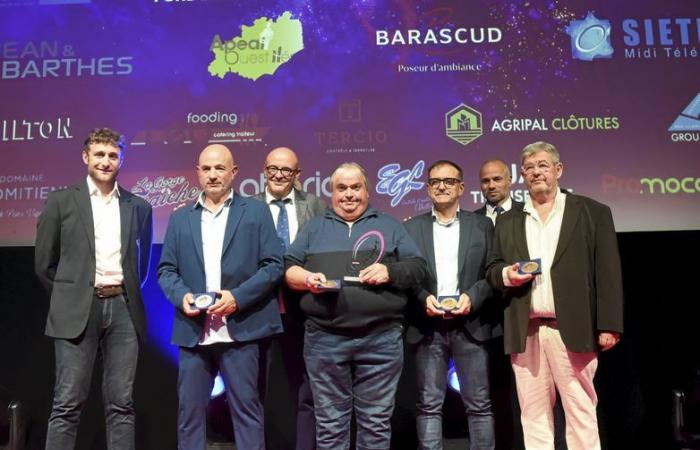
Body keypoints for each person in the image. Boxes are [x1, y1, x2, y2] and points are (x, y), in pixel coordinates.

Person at [486, 141, 623, 450]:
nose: (537, 172)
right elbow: (493, 268)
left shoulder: (592, 212)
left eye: (543, 165)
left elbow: (608, 273)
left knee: (580, 408)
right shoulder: (508, 220)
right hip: (526, 329)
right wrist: (507, 274)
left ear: (558, 170)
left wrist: (609, 324)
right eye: (530, 168)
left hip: (571, 328)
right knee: (532, 414)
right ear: (522, 175)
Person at [284, 162, 426, 450]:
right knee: (330, 424)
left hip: (381, 340)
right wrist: (309, 278)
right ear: (332, 192)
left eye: (355, 187)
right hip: (324, 340)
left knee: (375, 424)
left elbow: (418, 267)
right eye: (341, 188)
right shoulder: (313, 228)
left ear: (367, 190)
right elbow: (289, 269)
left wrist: (391, 272)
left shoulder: (389, 225)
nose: (349, 194)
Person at [158, 144, 283, 450]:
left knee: (247, 414)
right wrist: (182, 296)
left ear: (234, 172)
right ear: (198, 172)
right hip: (194, 334)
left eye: (220, 168)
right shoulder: (180, 218)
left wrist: (238, 298)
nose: (213, 175)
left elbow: (273, 265)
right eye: (207, 169)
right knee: (189, 416)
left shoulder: (256, 211)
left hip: (241, 329)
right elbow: (166, 270)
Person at [35, 128, 153, 450]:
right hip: (77, 310)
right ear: (86, 157)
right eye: (99, 154)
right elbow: (44, 264)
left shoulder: (138, 206)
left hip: (123, 310)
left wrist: (124, 291)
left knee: (121, 404)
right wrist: (70, 296)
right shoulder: (61, 201)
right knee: (68, 403)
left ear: (122, 160)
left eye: (113, 155)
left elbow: (140, 266)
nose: (106, 161)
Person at [404, 160, 496, 450]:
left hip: (471, 324)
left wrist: (473, 296)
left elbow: (493, 271)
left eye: (448, 181)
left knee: (479, 404)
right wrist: (422, 299)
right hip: (428, 325)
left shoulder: (482, 225)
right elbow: (406, 275)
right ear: (428, 188)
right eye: (434, 182)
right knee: (429, 405)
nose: (441, 186)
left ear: (461, 187)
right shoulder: (411, 227)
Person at [475, 158, 565, 450]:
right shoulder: (473, 220)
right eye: (486, 181)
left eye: (497, 179)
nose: (491, 186)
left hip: (527, 314)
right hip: (484, 320)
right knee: (501, 396)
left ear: (510, 180)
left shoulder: (526, 213)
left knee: (547, 397)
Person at [253, 146, 326, 450]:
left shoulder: (315, 205)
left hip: (305, 308)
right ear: (264, 171)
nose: (279, 175)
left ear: (298, 175)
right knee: (254, 389)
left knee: (308, 388)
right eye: (273, 169)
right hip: (258, 307)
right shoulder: (248, 207)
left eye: (287, 170)